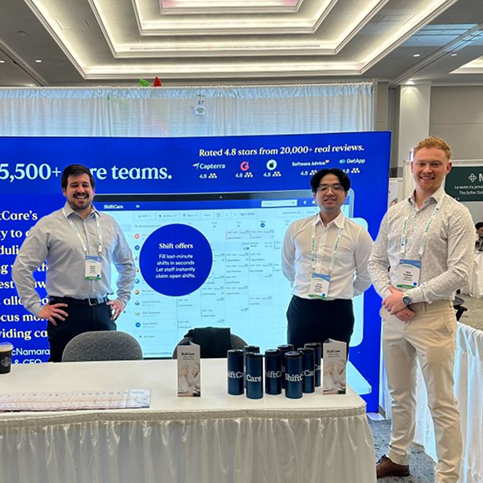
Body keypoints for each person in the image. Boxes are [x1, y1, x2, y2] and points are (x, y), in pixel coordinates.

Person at [368, 136, 474, 483]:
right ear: (411, 166)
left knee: (441, 402)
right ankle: (398, 457)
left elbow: (459, 272)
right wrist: (391, 296)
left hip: (432, 316)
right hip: (394, 315)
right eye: (422, 163)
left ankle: (447, 476)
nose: (427, 170)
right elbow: (376, 262)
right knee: (399, 395)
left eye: (435, 164)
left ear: (448, 168)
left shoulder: (456, 214)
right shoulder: (395, 213)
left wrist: (408, 297)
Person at [12, 164, 136, 362]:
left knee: (107, 372)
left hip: (102, 311)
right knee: (63, 374)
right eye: (74, 185)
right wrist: (35, 306)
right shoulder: (48, 225)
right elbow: (21, 268)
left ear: (93, 190)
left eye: (85, 185)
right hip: (66, 314)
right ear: (64, 190)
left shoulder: (109, 223)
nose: (80, 190)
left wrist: (123, 298)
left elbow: (127, 264)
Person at [281, 168, 373, 351]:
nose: (330, 192)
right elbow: (287, 266)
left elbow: (366, 274)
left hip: (338, 311)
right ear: (314, 195)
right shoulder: (296, 228)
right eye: (323, 188)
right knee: (298, 363)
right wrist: (302, 285)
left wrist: (344, 292)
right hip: (302, 308)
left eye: (336, 187)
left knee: (334, 366)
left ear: (345, 194)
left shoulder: (358, 233)